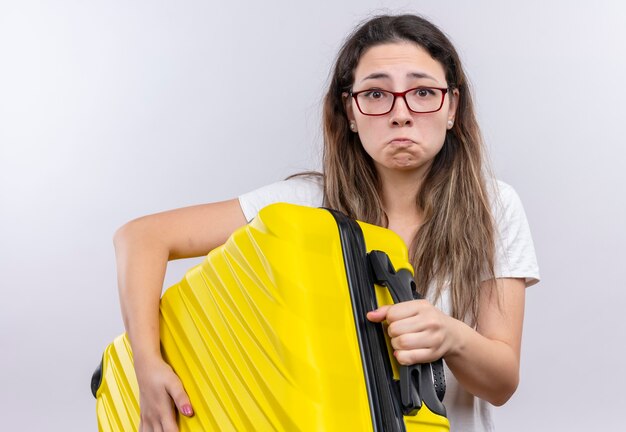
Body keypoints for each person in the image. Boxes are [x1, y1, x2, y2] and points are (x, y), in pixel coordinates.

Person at [114, 14, 539, 432]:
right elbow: (142, 237)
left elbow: (501, 383)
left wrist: (452, 337)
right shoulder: (304, 204)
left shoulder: (494, 206)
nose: (401, 113)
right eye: (375, 94)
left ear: (452, 107)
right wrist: (147, 364)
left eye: (423, 91)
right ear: (349, 112)